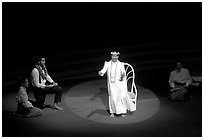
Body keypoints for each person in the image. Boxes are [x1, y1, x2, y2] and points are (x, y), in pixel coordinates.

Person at [98, 51, 136, 117]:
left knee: (121, 96)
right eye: (113, 56)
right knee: (112, 96)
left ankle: (123, 111)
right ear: (111, 56)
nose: (114, 57)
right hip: (112, 84)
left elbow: (123, 72)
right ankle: (112, 112)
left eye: (115, 56)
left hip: (120, 83)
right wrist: (101, 72)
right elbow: (103, 70)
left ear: (118, 56)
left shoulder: (121, 64)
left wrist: (122, 76)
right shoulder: (108, 64)